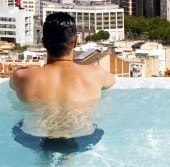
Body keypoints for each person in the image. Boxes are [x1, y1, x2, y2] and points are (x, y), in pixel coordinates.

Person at [10, 12, 115, 153]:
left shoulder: (22, 76)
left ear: (43, 42)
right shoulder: (95, 74)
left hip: (34, 137)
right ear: (75, 42)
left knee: (19, 124)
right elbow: (111, 82)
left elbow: (12, 86)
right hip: (83, 137)